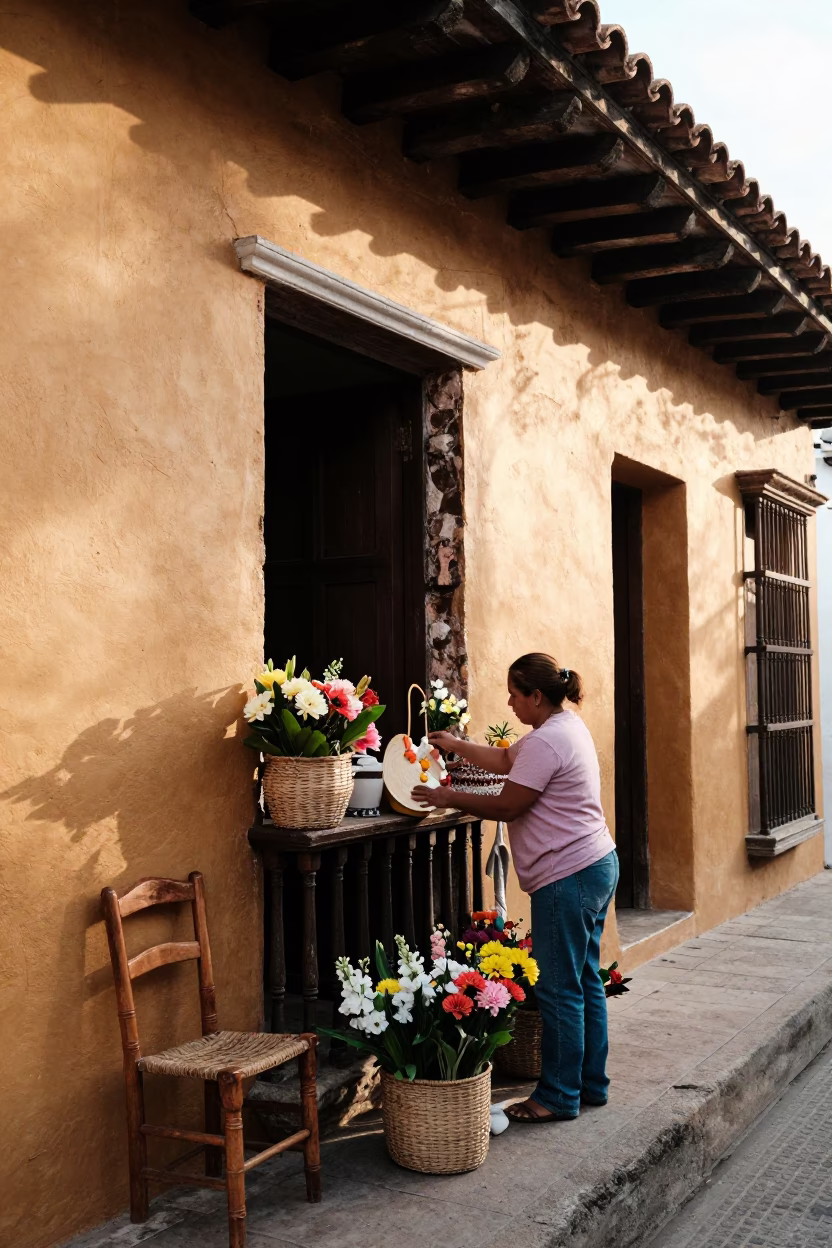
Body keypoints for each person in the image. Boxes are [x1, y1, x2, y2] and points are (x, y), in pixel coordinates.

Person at [411, 652, 618, 1124]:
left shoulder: (548, 743)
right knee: (584, 982)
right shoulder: (562, 729)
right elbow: (506, 759)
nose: (509, 702)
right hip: (594, 863)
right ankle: (590, 1085)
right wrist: (457, 745)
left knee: (562, 989)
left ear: (537, 696)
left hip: (567, 875)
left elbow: (507, 805)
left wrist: (445, 795)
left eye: (515, 694)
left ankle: (559, 1096)